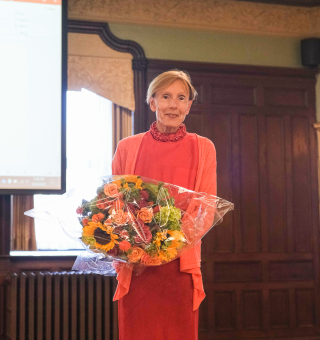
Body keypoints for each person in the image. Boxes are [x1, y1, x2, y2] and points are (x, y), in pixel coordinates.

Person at [112, 70, 217, 340]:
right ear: (152, 102)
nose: (174, 104)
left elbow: (205, 210)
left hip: (179, 264)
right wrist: (138, 253)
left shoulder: (204, 148)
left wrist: (162, 249)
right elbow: (115, 206)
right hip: (137, 265)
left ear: (189, 106)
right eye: (166, 96)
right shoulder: (128, 147)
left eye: (182, 98)